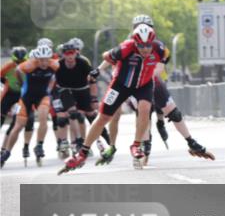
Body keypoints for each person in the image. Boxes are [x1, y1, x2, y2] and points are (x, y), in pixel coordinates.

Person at [58, 24, 169, 173]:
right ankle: (82, 153)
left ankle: (136, 145)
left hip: (144, 85)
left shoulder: (160, 49)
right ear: (135, 42)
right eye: (141, 45)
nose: (145, 49)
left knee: (145, 109)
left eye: (148, 45)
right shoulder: (125, 47)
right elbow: (107, 57)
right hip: (120, 85)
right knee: (103, 117)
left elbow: (161, 65)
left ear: (153, 42)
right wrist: (98, 69)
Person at [1, 46, 58, 167]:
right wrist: (22, 84)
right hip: (26, 97)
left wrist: (50, 87)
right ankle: (7, 152)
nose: (44, 62)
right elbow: (17, 70)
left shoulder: (54, 64)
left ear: (49, 58)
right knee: (18, 126)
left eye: (46, 59)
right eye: (41, 60)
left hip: (42, 96)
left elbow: (58, 75)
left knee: (43, 116)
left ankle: (39, 145)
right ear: (36, 59)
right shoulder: (29, 65)